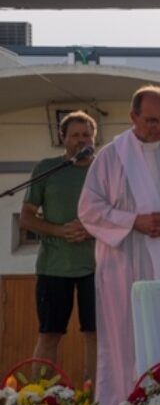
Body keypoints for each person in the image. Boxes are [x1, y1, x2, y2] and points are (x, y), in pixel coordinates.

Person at [78, 85, 160, 405]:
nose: (159, 127)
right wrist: (133, 221)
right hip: (124, 266)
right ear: (133, 116)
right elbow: (89, 209)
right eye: (151, 120)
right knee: (125, 339)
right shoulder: (110, 156)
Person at [21, 111, 98, 383]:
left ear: (94, 138)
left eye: (86, 135)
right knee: (50, 334)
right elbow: (27, 217)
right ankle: (38, 402)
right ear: (63, 139)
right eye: (75, 135)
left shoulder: (104, 170)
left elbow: (119, 213)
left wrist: (92, 230)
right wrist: (59, 230)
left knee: (95, 334)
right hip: (54, 267)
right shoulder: (46, 168)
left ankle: (97, 401)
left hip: (96, 268)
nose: (81, 140)